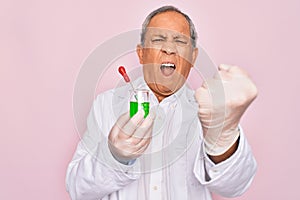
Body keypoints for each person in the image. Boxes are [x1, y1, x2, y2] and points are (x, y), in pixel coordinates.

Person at [66, 5, 258, 200]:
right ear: (141, 54)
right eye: (158, 39)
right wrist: (114, 157)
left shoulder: (210, 108)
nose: (169, 48)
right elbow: (78, 189)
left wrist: (222, 133)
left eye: (180, 41)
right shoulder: (106, 104)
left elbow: (235, 186)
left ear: (193, 56)